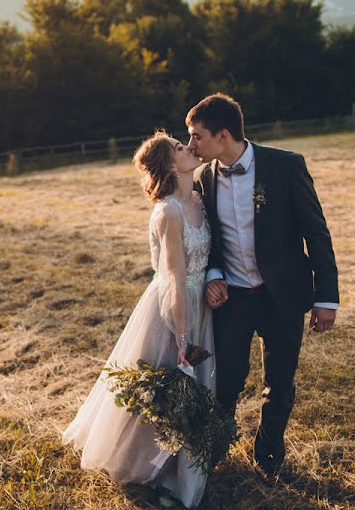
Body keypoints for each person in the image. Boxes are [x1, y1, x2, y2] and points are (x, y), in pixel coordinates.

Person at [186, 93, 339, 478]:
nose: (191, 145)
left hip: (283, 297)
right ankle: (216, 451)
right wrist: (215, 274)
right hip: (233, 299)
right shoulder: (204, 178)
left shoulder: (286, 166)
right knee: (227, 381)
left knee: (280, 383)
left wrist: (327, 299)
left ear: (223, 135)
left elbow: (316, 234)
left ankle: (269, 453)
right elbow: (212, 240)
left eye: (197, 136)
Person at [62, 130, 214, 509]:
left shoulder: (198, 199)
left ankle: (186, 465)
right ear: (167, 164)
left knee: (192, 389)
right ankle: (149, 466)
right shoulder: (168, 212)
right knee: (163, 385)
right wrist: (183, 336)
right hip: (172, 309)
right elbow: (175, 279)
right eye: (179, 147)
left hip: (201, 304)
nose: (189, 147)